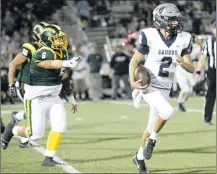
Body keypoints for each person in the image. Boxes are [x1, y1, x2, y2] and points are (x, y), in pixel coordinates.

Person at [2, 24, 81, 166]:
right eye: (57, 39)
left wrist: (72, 98)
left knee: (60, 126)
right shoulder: (43, 51)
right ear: (48, 40)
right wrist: (66, 62)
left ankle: (49, 158)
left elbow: (62, 75)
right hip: (36, 98)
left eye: (61, 38)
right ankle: (12, 129)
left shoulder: (62, 52)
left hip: (54, 96)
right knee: (35, 134)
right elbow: (47, 64)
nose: (61, 41)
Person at [129, 3, 194, 173]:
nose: (175, 22)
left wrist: (182, 63)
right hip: (149, 84)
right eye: (171, 19)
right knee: (168, 112)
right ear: (160, 20)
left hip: (166, 88)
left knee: (151, 126)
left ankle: (139, 158)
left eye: (176, 19)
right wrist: (131, 81)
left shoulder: (183, 38)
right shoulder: (149, 36)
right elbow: (134, 61)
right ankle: (152, 140)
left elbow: (191, 68)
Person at [195, 21, 216, 125]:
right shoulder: (208, 42)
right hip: (213, 71)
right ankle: (207, 118)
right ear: (213, 30)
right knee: (210, 95)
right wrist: (198, 72)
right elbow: (203, 58)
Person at [176, 37, 201, 111]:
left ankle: (182, 103)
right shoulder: (180, 47)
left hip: (189, 69)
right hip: (181, 69)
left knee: (191, 88)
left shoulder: (196, 47)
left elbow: (200, 57)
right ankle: (179, 102)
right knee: (185, 90)